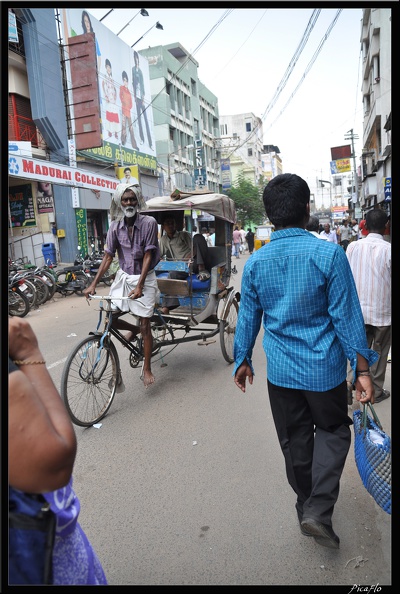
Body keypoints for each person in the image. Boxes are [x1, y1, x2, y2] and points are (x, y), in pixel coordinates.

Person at [233, 173, 378, 550]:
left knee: (294, 440)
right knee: (332, 431)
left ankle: (305, 505)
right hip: (324, 370)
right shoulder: (328, 254)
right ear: (307, 208)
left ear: (269, 215)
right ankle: (318, 508)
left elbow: (249, 317)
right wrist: (362, 370)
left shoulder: (256, 263)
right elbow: (347, 317)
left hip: (280, 373)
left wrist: (242, 359)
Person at [8, 317, 107, 584]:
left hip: (142, 286)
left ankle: (146, 364)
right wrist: (29, 353)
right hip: (35, 558)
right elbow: (56, 460)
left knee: (143, 322)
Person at [83, 183, 160, 387]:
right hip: (124, 277)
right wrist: (93, 285)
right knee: (111, 319)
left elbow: (148, 255)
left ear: (138, 201)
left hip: (145, 277)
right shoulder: (114, 226)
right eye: (125, 199)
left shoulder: (149, 223)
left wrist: (140, 285)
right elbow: (108, 257)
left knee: (144, 324)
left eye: (132, 199)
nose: (128, 203)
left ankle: (147, 368)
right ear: (119, 202)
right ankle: (132, 331)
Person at [346, 209, 391, 404]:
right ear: (386, 226)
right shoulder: (389, 250)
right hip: (383, 311)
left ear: (364, 224)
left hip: (357, 312)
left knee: (358, 349)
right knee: (380, 352)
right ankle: (377, 390)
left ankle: (350, 382)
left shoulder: (353, 247)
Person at [158, 215, 210, 314]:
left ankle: (166, 308)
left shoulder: (184, 235)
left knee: (198, 237)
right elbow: (159, 254)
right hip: (180, 267)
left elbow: (195, 249)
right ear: (163, 227)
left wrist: (186, 259)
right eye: (167, 224)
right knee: (172, 274)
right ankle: (169, 305)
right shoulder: (164, 239)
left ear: (175, 224)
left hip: (193, 262)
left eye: (172, 223)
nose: (170, 225)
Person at [132, 50, 153, 149]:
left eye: (137, 58)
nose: (136, 60)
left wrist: (143, 97)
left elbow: (143, 85)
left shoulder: (140, 71)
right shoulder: (133, 70)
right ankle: (142, 139)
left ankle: (150, 143)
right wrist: (135, 97)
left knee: (146, 121)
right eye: (135, 58)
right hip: (137, 99)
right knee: (139, 120)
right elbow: (133, 82)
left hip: (142, 99)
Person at [102, 58, 119, 141]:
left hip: (113, 100)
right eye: (107, 67)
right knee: (109, 116)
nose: (108, 69)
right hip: (108, 99)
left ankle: (116, 132)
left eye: (109, 67)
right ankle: (109, 131)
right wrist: (106, 96)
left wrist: (115, 97)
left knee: (115, 117)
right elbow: (103, 86)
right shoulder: (105, 76)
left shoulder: (112, 78)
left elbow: (115, 89)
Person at [120, 71, 138, 149]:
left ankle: (134, 145)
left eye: (126, 80)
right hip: (124, 110)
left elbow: (131, 103)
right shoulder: (121, 88)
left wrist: (129, 106)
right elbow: (121, 97)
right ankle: (123, 140)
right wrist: (124, 103)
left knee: (131, 128)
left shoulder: (129, 92)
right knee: (124, 126)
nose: (125, 82)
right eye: (124, 80)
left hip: (128, 112)